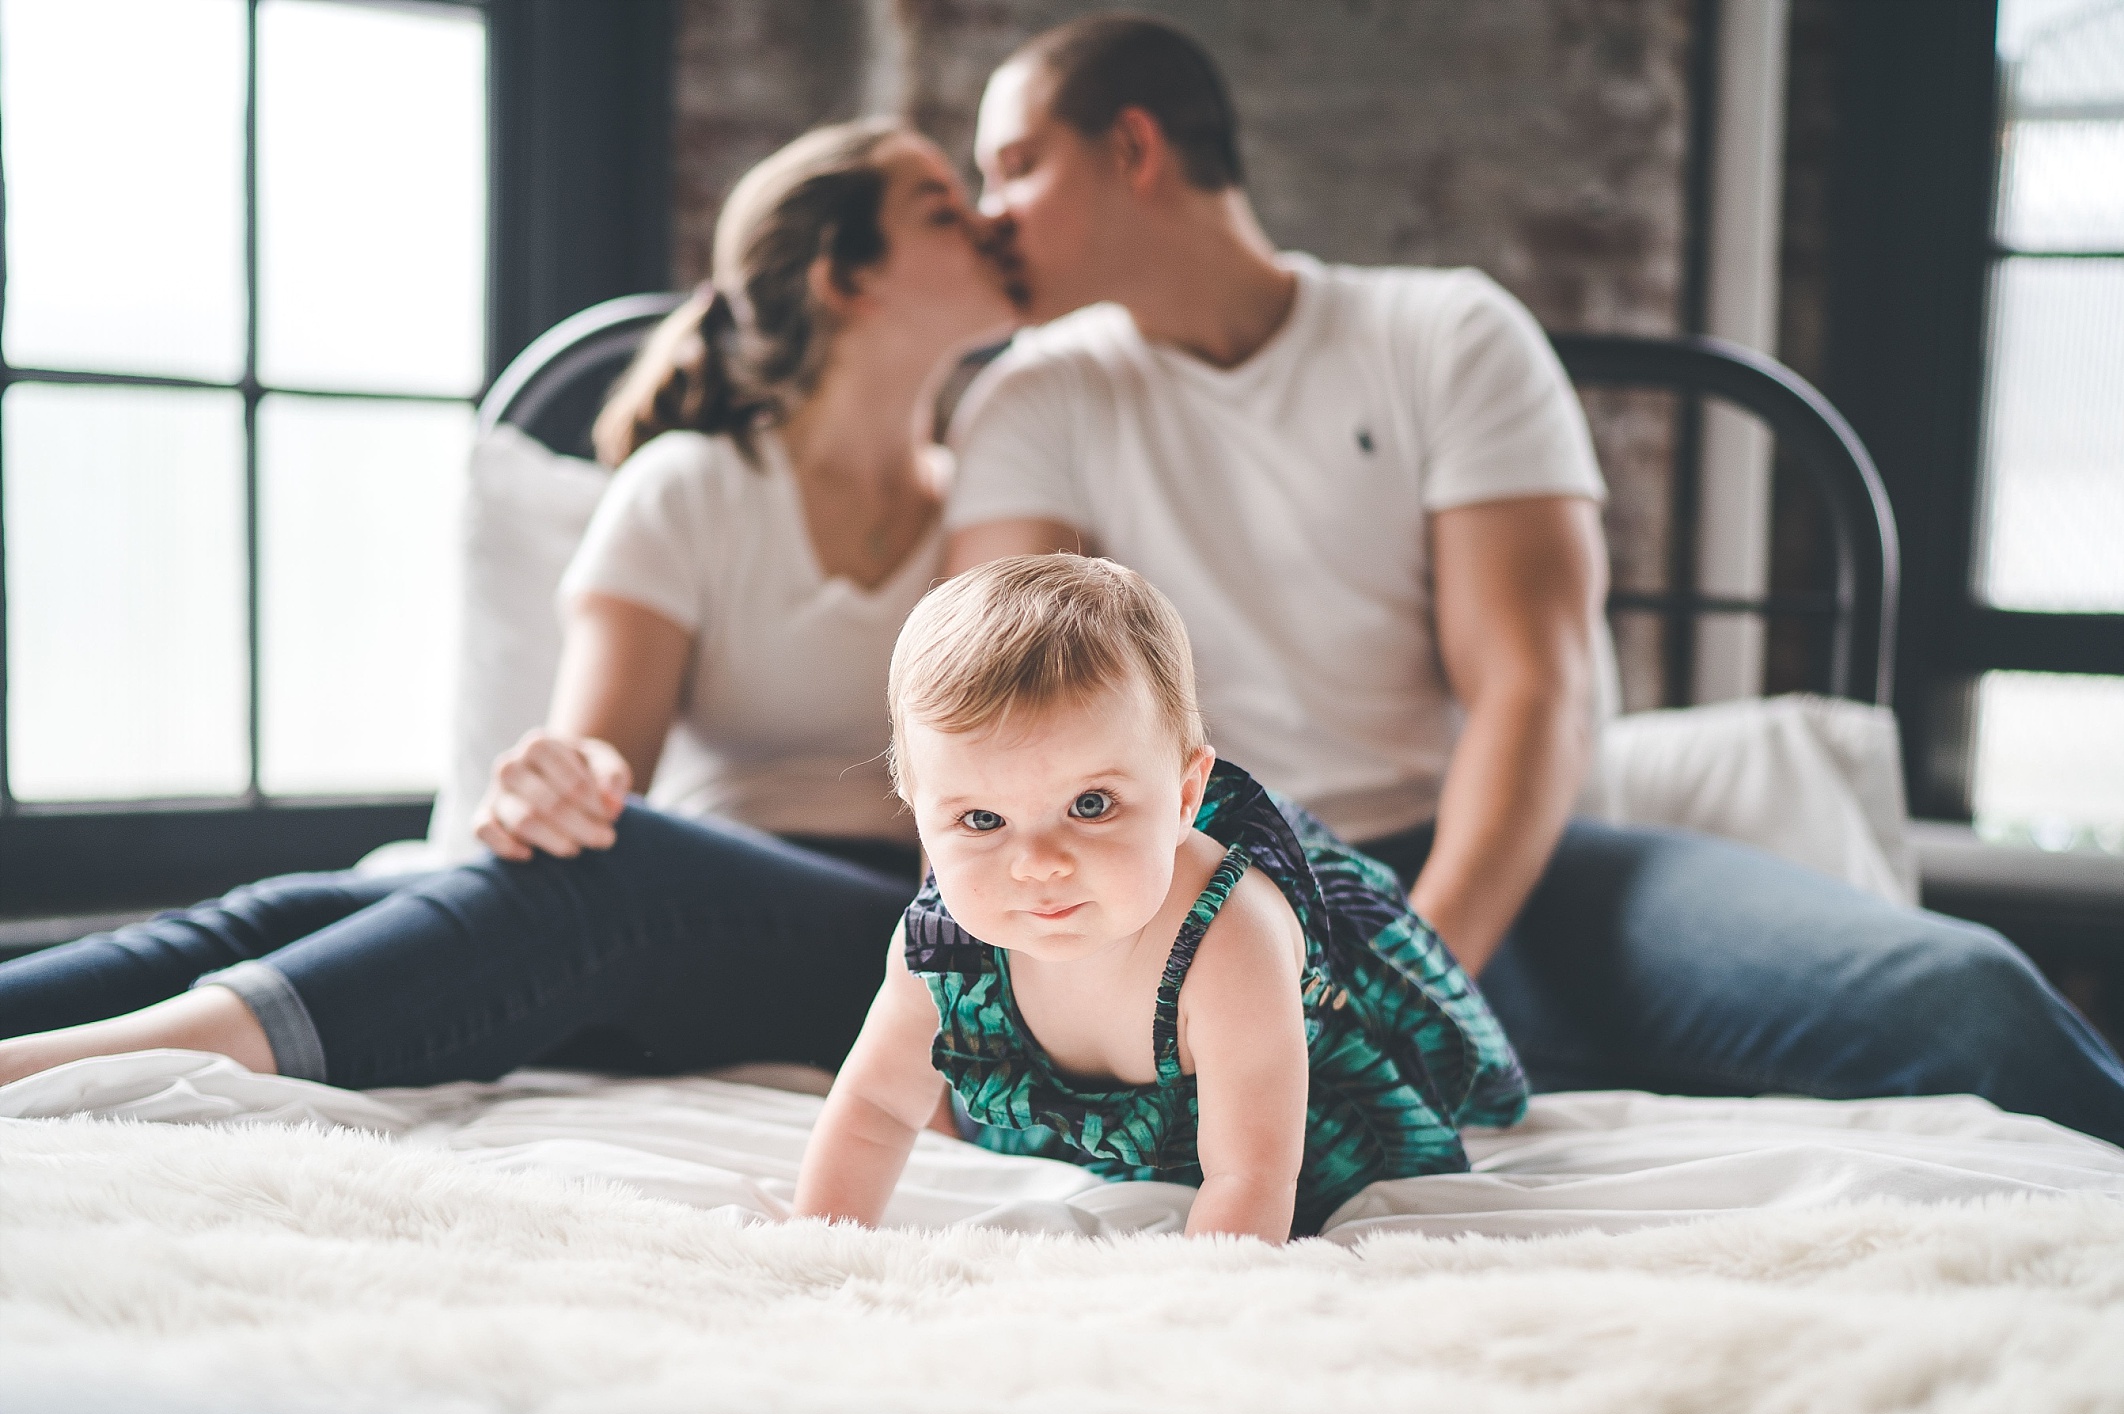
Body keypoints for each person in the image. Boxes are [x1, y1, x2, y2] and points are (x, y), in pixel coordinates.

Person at [940, 14, 2124, 1143]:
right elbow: (996, 727)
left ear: (1133, 146)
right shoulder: (1033, 402)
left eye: (1016, 167)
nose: (989, 218)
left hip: (1499, 869)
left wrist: (1410, 982)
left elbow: (1532, 690)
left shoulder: (1444, 335)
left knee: (1962, 993)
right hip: (1183, 891)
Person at [0, 119, 1016, 1091]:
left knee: (614, 868)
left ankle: (83, 1064)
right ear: (848, 278)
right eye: (941, 208)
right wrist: (557, 783)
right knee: (303, 906)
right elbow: (602, 765)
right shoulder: (695, 489)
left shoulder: (995, 508)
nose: (985, 223)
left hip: (886, 924)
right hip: (686, 884)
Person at [792, 555, 1526, 1241]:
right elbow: (876, 1106)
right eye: (982, 819)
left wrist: (1191, 1307)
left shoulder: (1230, 939)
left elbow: (1252, 1171)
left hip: (1292, 1106)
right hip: (1117, 1102)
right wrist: (816, 1248)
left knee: (1303, 1165)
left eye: (1090, 805)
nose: (1039, 864)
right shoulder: (940, 946)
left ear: (1183, 799)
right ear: (916, 811)